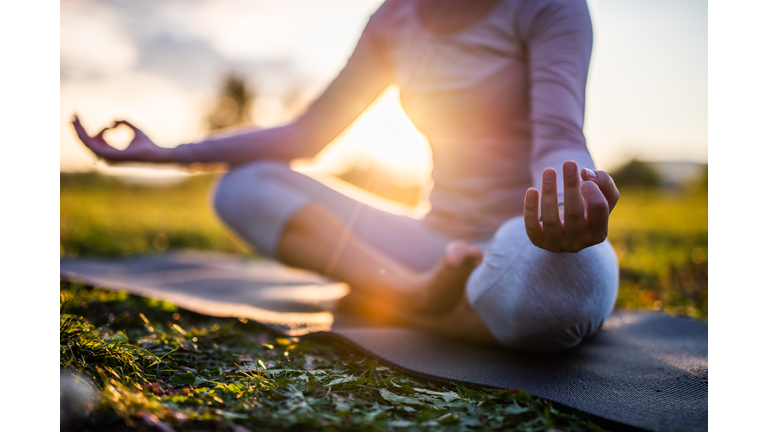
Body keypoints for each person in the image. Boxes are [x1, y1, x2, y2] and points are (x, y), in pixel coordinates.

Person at [72, 0, 620, 353]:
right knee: (243, 185)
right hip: (431, 244)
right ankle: (412, 295)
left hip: (522, 242)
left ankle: (400, 298)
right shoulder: (394, 20)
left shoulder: (550, 7)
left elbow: (557, 137)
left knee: (564, 292)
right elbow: (305, 135)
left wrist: (568, 195)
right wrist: (164, 153)